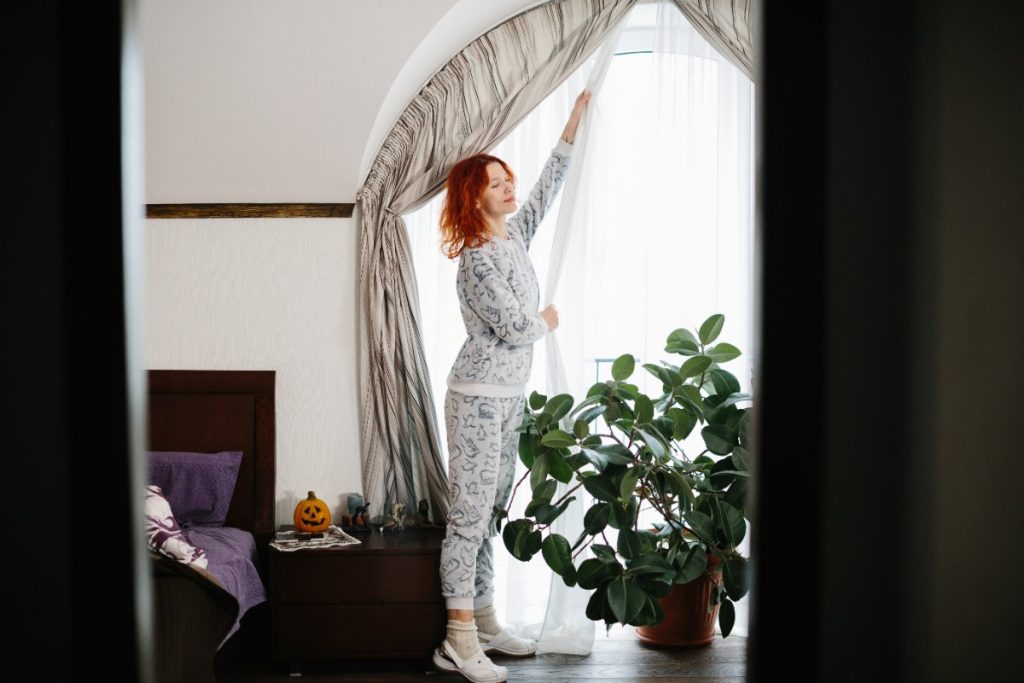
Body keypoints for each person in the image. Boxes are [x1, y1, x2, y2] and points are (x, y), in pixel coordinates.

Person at [431, 91, 591, 683]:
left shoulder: (511, 239)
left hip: (506, 399)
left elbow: (547, 189)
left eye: (507, 179)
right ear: (473, 196)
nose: (507, 188)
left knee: (491, 512)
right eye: (495, 183)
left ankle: (488, 620)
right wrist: (546, 322)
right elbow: (514, 326)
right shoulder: (476, 257)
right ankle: (457, 639)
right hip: (475, 398)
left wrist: (571, 129)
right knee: (468, 517)